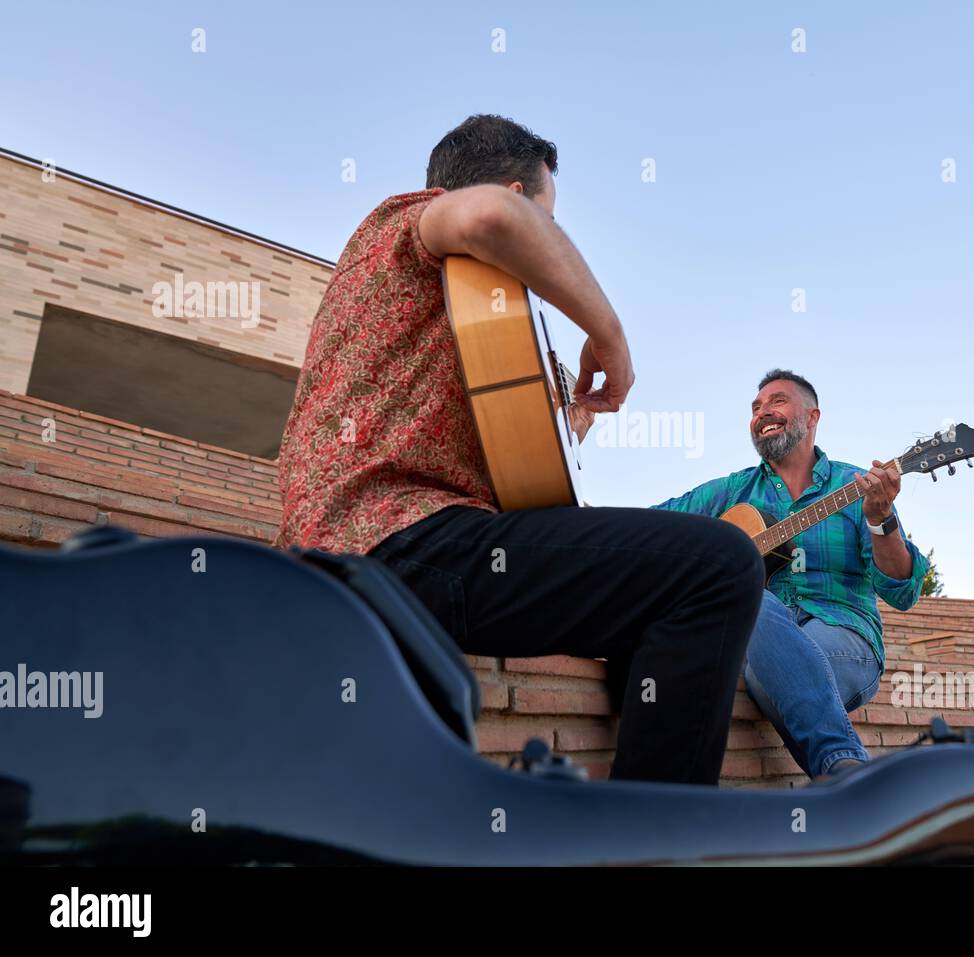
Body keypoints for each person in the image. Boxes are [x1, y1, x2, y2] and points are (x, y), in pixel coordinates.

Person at [276, 115, 764, 785]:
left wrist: (576, 419)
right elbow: (491, 219)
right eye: (549, 219)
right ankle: (657, 838)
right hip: (397, 540)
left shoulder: (432, 298)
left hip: (379, 547)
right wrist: (609, 333)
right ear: (514, 188)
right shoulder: (407, 220)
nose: (549, 243)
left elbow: (519, 470)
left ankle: (620, 804)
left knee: (652, 593)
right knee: (721, 565)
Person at [653, 369, 929, 779]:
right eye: (756, 407)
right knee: (752, 603)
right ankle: (843, 774)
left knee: (766, 672)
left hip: (842, 635)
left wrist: (880, 519)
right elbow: (655, 526)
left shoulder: (859, 486)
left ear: (812, 417)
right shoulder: (733, 491)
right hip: (756, 638)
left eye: (777, 401)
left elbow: (902, 590)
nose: (763, 411)